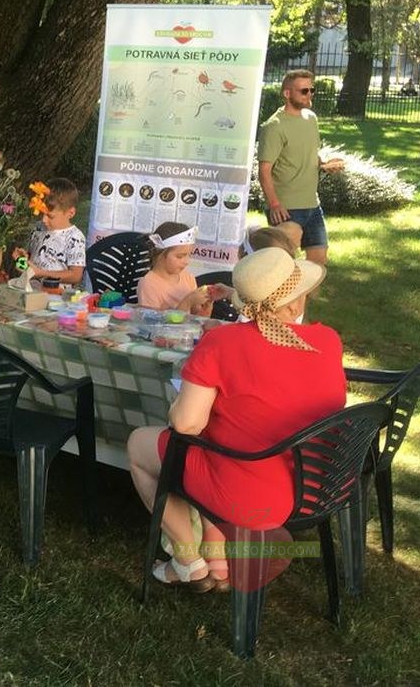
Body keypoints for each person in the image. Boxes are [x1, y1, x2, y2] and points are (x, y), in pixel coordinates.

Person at [126, 247, 345, 589]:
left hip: (254, 492)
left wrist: (176, 406)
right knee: (208, 444)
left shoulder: (223, 342)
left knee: (141, 445)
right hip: (321, 482)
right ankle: (215, 558)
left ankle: (188, 560)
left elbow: (186, 424)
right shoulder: (328, 340)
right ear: (295, 303)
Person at [257, 70, 344, 267]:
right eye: (304, 91)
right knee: (282, 265)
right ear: (287, 93)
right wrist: (274, 204)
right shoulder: (274, 126)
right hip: (287, 208)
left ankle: (302, 299)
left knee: (318, 262)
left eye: (312, 90)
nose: (310, 94)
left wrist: (324, 164)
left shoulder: (311, 118)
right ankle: (279, 298)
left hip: (312, 205)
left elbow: (308, 154)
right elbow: (264, 170)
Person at [137, 222, 231, 315]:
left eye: (188, 255)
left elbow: (196, 317)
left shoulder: (188, 278)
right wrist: (187, 302)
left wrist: (206, 305)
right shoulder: (148, 284)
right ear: (160, 255)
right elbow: (152, 323)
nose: (186, 262)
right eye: (180, 256)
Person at [12, 177, 85, 285]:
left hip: (56, 296)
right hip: (31, 290)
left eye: (50, 216)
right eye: (42, 213)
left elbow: (75, 276)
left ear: (70, 213)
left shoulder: (74, 237)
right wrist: (22, 261)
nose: (44, 220)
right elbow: (33, 265)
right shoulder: (38, 228)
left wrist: (42, 273)